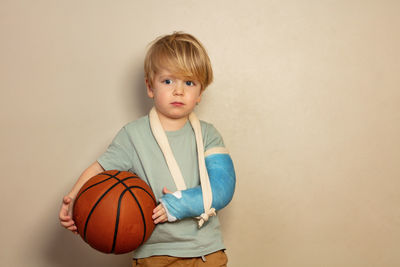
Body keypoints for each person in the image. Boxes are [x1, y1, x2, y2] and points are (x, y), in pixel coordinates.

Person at [59, 32, 235, 267]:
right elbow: (99, 169)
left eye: (189, 83)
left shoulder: (208, 134)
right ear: (150, 86)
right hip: (155, 253)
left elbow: (222, 187)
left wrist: (178, 204)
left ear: (200, 93)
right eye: (168, 81)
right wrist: (72, 200)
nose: (179, 91)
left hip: (206, 251)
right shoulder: (133, 135)